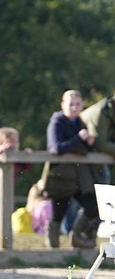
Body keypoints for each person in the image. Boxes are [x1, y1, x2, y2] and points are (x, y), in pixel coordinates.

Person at [44, 89, 100, 249]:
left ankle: (76, 237)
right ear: (63, 105)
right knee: (58, 216)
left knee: (93, 207)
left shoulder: (80, 123)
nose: (74, 107)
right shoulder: (57, 122)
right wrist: (79, 138)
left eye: (77, 104)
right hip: (61, 176)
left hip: (80, 177)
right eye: (71, 104)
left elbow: (83, 151)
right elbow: (55, 148)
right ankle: (51, 253)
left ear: (82, 105)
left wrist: (89, 143)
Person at [80, 92, 115, 185]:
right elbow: (99, 143)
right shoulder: (100, 113)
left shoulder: (110, 112)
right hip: (81, 161)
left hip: (95, 160)